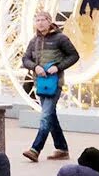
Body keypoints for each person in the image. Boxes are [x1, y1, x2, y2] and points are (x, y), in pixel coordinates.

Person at [20, 12, 80, 162]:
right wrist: (35, 67)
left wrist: (58, 67)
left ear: (49, 21)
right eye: (37, 20)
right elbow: (25, 59)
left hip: (55, 84)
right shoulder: (34, 41)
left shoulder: (60, 38)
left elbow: (74, 55)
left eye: (43, 20)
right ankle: (62, 149)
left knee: (45, 116)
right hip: (40, 84)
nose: (40, 23)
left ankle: (35, 149)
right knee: (51, 116)